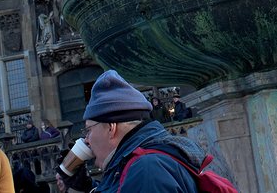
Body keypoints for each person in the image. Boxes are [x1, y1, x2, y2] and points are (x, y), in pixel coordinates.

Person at [56, 69, 210, 193]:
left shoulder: (146, 171)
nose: (86, 140)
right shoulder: (132, 166)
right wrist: (83, 187)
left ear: (111, 128)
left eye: (88, 130)